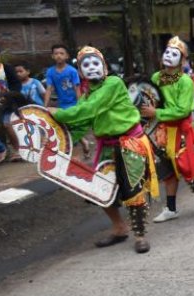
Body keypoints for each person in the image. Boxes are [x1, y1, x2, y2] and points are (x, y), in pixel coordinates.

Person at [52, 47, 157, 253]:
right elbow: (82, 122)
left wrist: (58, 114)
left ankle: (140, 235)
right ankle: (119, 228)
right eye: (86, 65)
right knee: (99, 190)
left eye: (95, 63)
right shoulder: (87, 95)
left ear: (105, 68)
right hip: (107, 146)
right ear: (81, 73)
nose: (91, 68)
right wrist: (60, 143)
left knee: (133, 190)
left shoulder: (113, 84)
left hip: (130, 143)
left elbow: (88, 110)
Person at [141, 36, 194, 222]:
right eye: (167, 51)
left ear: (182, 60)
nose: (168, 55)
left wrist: (155, 112)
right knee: (167, 171)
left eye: (174, 53)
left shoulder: (186, 82)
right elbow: (150, 99)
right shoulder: (156, 78)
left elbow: (182, 110)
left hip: (180, 130)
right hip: (161, 131)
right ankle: (171, 208)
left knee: (188, 167)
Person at [44, 44, 90, 157]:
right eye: (56, 53)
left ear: (67, 56)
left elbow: (77, 89)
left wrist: (80, 105)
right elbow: (49, 89)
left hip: (74, 104)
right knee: (67, 128)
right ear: (52, 56)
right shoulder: (50, 72)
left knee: (71, 129)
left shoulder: (72, 71)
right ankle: (84, 144)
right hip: (62, 105)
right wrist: (44, 106)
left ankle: (75, 151)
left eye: (61, 53)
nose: (59, 56)